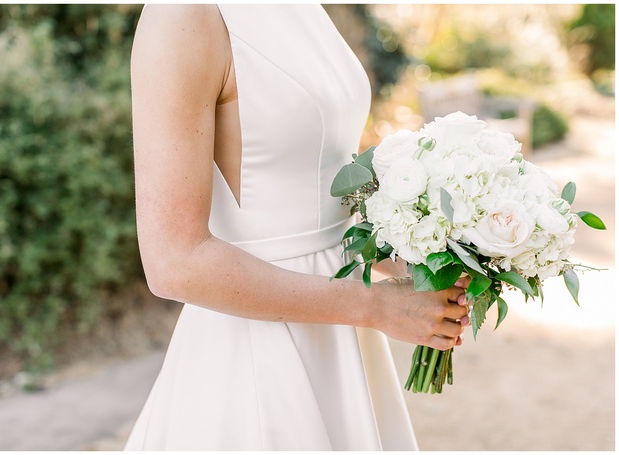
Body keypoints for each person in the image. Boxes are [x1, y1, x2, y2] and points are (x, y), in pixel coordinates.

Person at [124, 4, 470, 451]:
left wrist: (421, 254)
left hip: (344, 339)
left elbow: (322, 183)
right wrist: (375, 307)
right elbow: (174, 262)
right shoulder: (183, 16)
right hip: (259, 347)